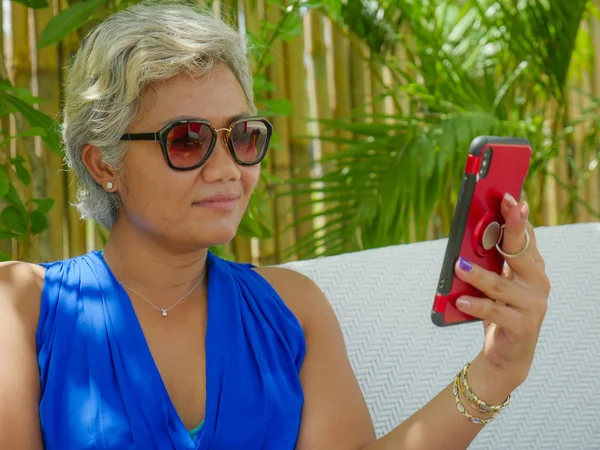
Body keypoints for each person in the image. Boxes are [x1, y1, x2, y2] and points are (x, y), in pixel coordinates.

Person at [0, 2, 550, 449]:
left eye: (242, 136)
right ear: (103, 164)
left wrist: (497, 368)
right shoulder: (21, 307)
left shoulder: (292, 307)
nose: (226, 170)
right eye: (187, 140)